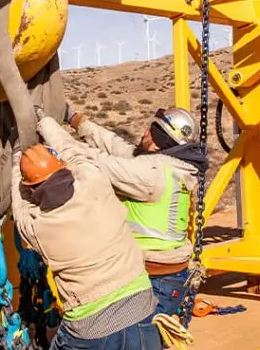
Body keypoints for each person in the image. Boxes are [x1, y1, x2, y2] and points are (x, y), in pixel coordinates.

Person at [12, 116, 164, 350]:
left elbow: (20, 206)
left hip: (92, 330)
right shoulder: (96, 182)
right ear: (64, 169)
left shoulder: (38, 227)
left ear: (31, 188)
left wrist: (15, 161)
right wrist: (44, 122)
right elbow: (74, 153)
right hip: (141, 309)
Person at [64, 108, 204, 316]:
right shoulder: (170, 164)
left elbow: (98, 162)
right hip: (165, 276)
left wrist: (56, 141)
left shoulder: (152, 173)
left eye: (151, 130)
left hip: (155, 279)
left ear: (158, 140)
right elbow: (116, 146)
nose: (144, 132)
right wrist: (75, 121)